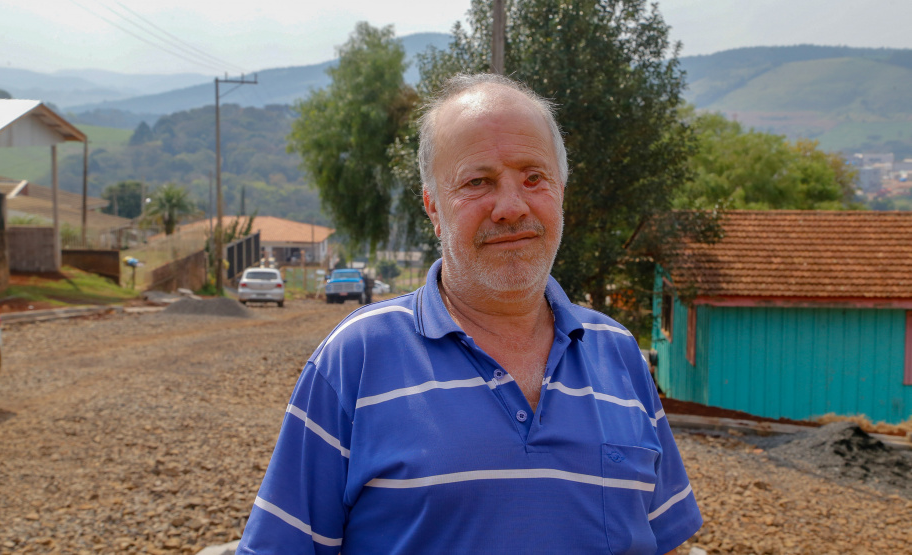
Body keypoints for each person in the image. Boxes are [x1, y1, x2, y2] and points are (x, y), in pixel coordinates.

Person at [237, 73, 702, 554]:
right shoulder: (353, 359)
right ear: (433, 207)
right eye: (478, 182)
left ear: (561, 190)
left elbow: (661, 541)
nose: (511, 207)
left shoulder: (619, 353)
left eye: (533, 177)